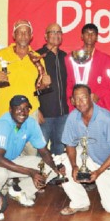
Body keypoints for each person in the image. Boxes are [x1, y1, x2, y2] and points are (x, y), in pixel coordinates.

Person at [60, 84, 110, 215]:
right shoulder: (72, 117)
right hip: (90, 158)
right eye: (77, 99)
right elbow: (69, 144)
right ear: (72, 101)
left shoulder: (107, 118)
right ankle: (80, 202)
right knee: (63, 164)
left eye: (84, 98)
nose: (81, 102)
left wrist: (99, 171)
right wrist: (74, 166)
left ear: (91, 97)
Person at [0, 95, 59, 208]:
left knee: (49, 169)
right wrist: (30, 172)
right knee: (1, 173)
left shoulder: (31, 123)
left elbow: (44, 151)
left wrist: (56, 168)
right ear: (10, 110)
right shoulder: (3, 124)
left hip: (14, 160)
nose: (23, 112)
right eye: (18, 108)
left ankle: (19, 190)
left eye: (26, 108)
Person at [0, 19, 51, 119]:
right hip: (6, 113)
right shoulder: (1, 55)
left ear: (31, 36)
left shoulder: (37, 58)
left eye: (26, 32)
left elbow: (39, 90)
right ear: (14, 35)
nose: (23, 35)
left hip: (30, 113)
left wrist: (44, 85)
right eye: (20, 32)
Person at [65, 23, 110, 112]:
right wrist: (70, 97)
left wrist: (98, 95)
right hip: (76, 106)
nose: (90, 36)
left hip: (97, 106)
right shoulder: (70, 58)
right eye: (87, 33)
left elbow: (108, 85)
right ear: (82, 36)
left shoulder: (106, 60)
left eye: (93, 34)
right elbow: (68, 82)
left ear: (97, 37)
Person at [36, 23, 69, 156]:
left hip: (63, 114)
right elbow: (28, 85)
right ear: (45, 36)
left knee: (60, 151)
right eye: (53, 32)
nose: (56, 35)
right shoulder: (37, 56)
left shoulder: (65, 57)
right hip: (44, 115)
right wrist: (35, 110)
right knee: (41, 152)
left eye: (59, 32)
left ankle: (58, 176)